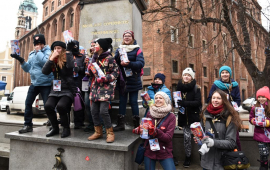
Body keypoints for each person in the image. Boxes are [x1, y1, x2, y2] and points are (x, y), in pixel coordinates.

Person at [10, 34, 53, 133]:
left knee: (48, 105)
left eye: (39, 43)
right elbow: (28, 69)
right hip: (34, 83)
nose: (37, 45)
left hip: (45, 83)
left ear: (43, 44)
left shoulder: (48, 52)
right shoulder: (31, 54)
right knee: (28, 103)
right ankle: (28, 125)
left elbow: (45, 63)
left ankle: (52, 122)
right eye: (36, 44)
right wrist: (21, 60)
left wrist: (38, 52)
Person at [199, 89, 241, 170]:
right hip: (206, 161)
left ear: (224, 100)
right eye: (213, 98)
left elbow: (231, 143)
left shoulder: (230, 117)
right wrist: (199, 140)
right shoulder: (205, 115)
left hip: (222, 162)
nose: (215, 100)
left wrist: (213, 142)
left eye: (218, 98)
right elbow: (202, 136)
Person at [133, 91, 176, 170]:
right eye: (156, 98)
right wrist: (140, 130)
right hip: (149, 150)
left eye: (160, 98)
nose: (158, 100)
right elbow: (146, 132)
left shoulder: (171, 116)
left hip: (164, 151)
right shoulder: (149, 113)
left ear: (165, 100)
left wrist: (156, 131)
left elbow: (168, 137)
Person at [42, 41, 77, 138]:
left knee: (61, 106)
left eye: (59, 48)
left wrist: (69, 52)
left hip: (67, 88)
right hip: (55, 89)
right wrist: (51, 59)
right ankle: (55, 128)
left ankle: (66, 128)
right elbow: (44, 71)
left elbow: (70, 66)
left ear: (63, 49)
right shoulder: (52, 59)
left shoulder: (67, 57)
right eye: (55, 48)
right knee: (48, 106)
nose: (56, 50)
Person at [87, 38, 119, 143]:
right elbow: (91, 73)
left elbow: (115, 73)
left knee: (103, 111)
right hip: (95, 88)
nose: (93, 46)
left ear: (101, 47)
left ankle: (110, 133)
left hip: (106, 89)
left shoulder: (109, 58)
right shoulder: (94, 58)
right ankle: (98, 132)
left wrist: (105, 78)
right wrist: (89, 68)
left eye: (96, 44)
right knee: (93, 111)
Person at [114, 30, 145, 131]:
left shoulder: (137, 49)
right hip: (122, 80)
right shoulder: (119, 49)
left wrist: (129, 64)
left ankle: (136, 125)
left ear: (132, 38)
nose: (127, 38)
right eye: (125, 36)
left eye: (129, 36)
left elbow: (141, 63)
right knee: (122, 101)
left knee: (133, 102)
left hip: (133, 79)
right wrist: (117, 57)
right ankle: (120, 124)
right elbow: (114, 63)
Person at [207, 65, 242, 150]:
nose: (224, 74)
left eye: (226, 72)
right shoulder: (216, 85)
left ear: (230, 74)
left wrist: (232, 107)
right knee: (219, 134)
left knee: (235, 137)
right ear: (220, 74)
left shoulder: (235, 85)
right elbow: (209, 98)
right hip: (218, 113)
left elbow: (238, 99)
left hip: (231, 113)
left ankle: (237, 156)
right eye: (222, 73)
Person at [175, 67, 201, 168]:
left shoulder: (196, 88)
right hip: (184, 118)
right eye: (185, 75)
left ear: (191, 78)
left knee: (198, 137)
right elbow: (177, 102)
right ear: (182, 76)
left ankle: (202, 157)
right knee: (186, 138)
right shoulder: (179, 87)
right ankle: (188, 157)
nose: (186, 76)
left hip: (194, 117)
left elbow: (198, 102)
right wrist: (176, 103)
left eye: (189, 75)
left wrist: (184, 103)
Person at [249, 86, 270, 170]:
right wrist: (254, 121)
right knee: (263, 155)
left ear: (267, 97)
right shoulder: (254, 108)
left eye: (263, 97)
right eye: (259, 97)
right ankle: (263, 167)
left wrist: (267, 122)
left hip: (268, 133)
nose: (261, 99)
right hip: (260, 135)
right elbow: (250, 118)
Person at [71, 40, 86, 129]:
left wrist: (79, 69)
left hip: (78, 81)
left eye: (75, 46)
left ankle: (79, 122)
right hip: (68, 81)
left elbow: (86, 68)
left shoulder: (82, 57)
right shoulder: (67, 56)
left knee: (78, 102)